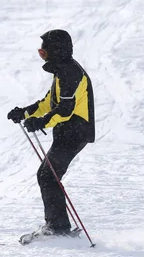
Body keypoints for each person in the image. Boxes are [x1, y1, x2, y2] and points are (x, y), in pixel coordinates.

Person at [7, 29, 95, 236]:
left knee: (48, 175)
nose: (42, 55)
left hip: (76, 131)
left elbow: (65, 110)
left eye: (43, 52)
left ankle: (58, 228)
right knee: (48, 175)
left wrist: (40, 123)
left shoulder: (70, 73)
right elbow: (49, 103)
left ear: (56, 50)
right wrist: (26, 112)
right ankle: (58, 226)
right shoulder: (62, 71)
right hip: (68, 131)